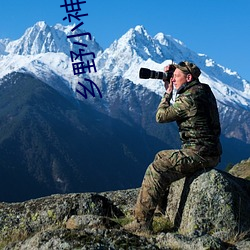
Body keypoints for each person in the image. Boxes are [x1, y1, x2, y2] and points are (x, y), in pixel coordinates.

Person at [124, 61, 222, 233]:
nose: (173, 79)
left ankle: (141, 224)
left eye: (177, 77)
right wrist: (175, 72)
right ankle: (161, 210)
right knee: (161, 156)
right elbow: (185, 81)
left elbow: (160, 117)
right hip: (209, 151)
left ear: (189, 78)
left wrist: (167, 93)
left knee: (157, 168)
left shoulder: (189, 99)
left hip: (199, 153)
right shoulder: (203, 90)